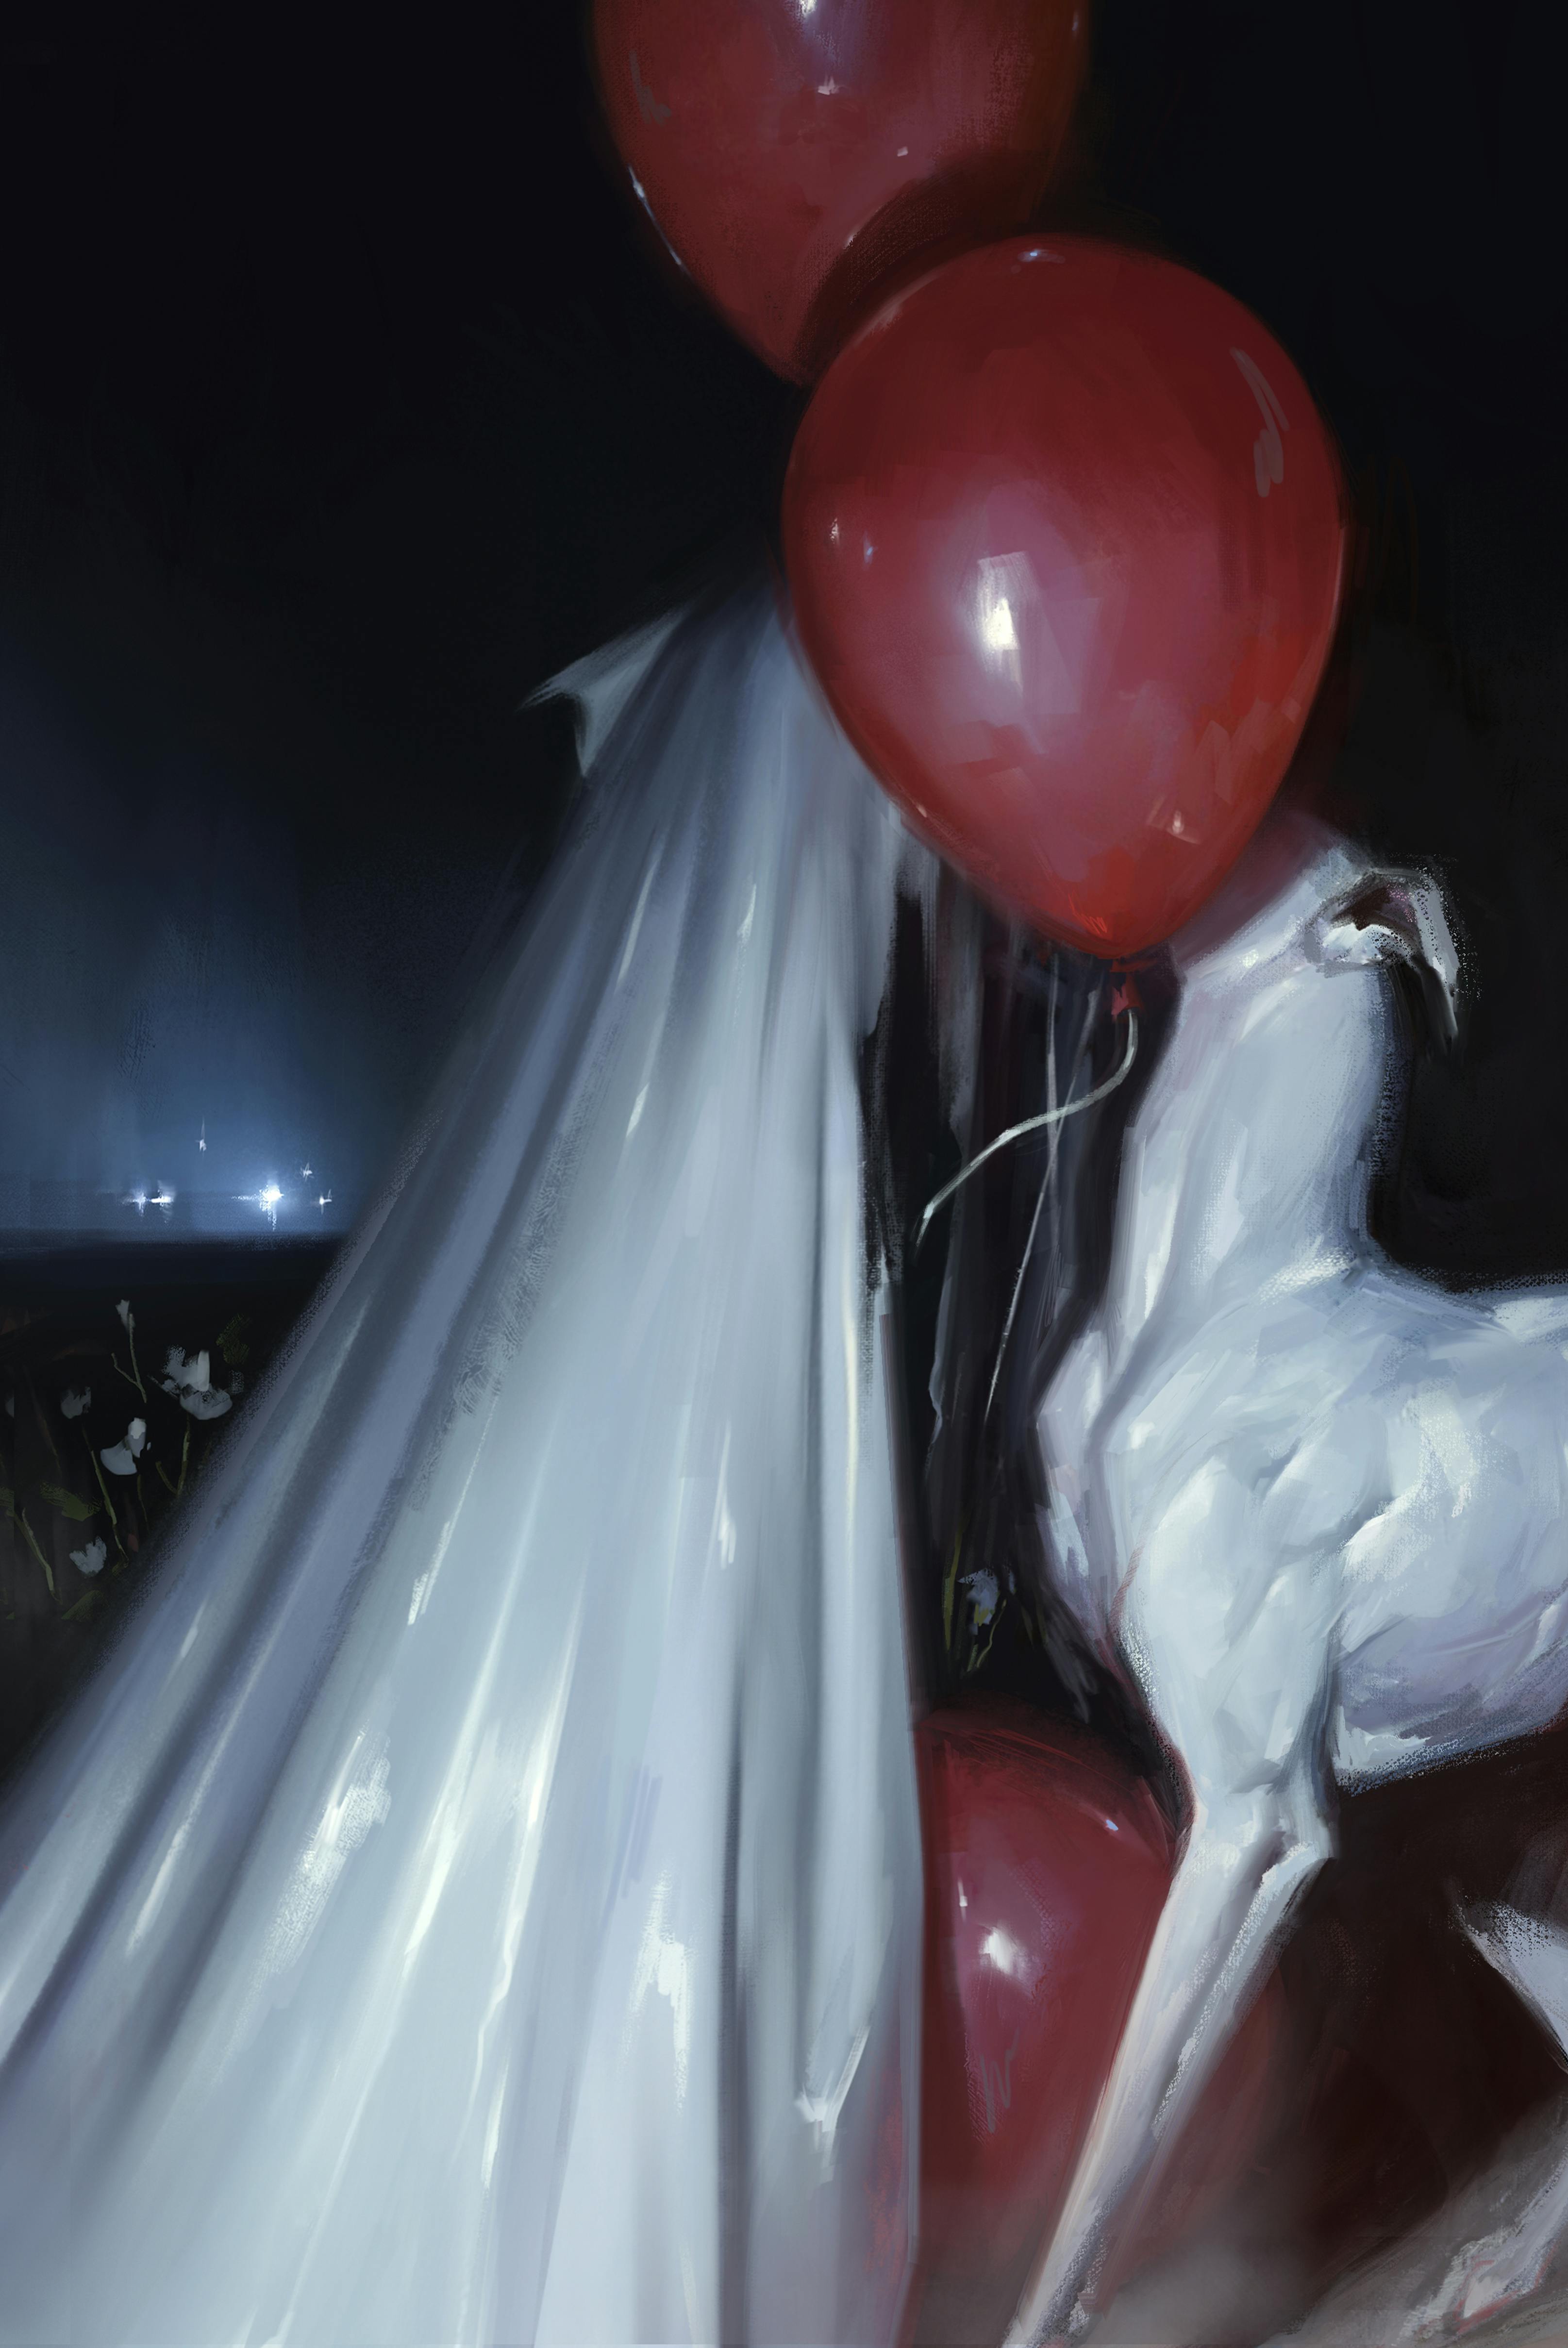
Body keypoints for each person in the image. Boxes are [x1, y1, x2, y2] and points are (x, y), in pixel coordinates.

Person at [0, 590, 927, 2345]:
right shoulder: (794, 795)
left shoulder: (671, 881)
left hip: (631, 1337)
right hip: (685, 1376)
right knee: (612, 1735)